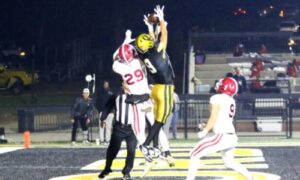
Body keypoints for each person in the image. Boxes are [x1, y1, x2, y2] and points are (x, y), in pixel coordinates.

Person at [112, 30, 173, 165]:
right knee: (156, 125)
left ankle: (147, 154)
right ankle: (167, 150)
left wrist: (126, 39)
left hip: (136, 102)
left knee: (138, 129)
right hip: (147, 98)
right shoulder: (139, 61)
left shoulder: (118, 67)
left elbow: (115, 55)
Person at [186, 77, 253, 180]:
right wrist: (206, 125)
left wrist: (205, 130)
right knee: (229, 162)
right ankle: (250, 177)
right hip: (232, 137)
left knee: (194, 154)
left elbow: (213, 116)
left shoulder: (217, 98)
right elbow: (218, 119)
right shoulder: (231, 100)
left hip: (222, 136)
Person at [135, 5, 175, 163]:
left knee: (157, 120)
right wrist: (162, 20)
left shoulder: (142, 53)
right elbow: (164, 35)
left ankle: (155, 146)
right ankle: (146, 145)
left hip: (156, 88)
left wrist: (150, 27)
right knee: (160, 120)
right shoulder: (157, 50)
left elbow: (151, 41)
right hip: (165, 88)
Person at [98, 89, 137, 180]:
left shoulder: (138, 94)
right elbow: (108, 106)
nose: (128, 84)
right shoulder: (116, 95)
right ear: (122, 84)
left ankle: (126, 172)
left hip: (132, 129)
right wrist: (103, 118)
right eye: (125, 82)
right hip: (119, 127)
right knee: (113, 150)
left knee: (131, 150)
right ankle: (107, 167)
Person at [96, 80, 114, 145]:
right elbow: (97, 103)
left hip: (110, 113)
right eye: (105, 84)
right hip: (102, 112)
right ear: (103, 85)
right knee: (102, 126)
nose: (106, 85)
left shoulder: (111, 93)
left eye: (107, 84)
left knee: (108, 127)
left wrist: (113, 111)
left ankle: (108, 140)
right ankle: (101, 140)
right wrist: (100, 110)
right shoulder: (100, 92)